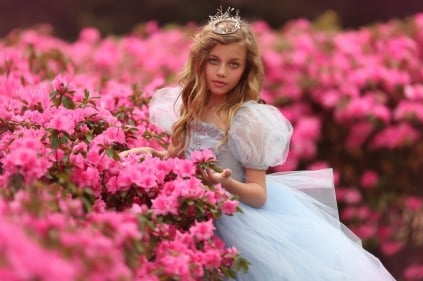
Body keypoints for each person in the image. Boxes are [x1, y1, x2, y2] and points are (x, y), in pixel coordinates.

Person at [120, 7, 396, 281]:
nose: (221, 72)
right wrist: (153, 153)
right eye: (214, 60)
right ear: (200, 61)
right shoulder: (189, 105)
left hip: (234, 221)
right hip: (192, 214)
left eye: (233, 64)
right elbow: (177, 157)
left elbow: (258, 194)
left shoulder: (246, 119)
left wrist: (222, 182)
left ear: (245, 69)